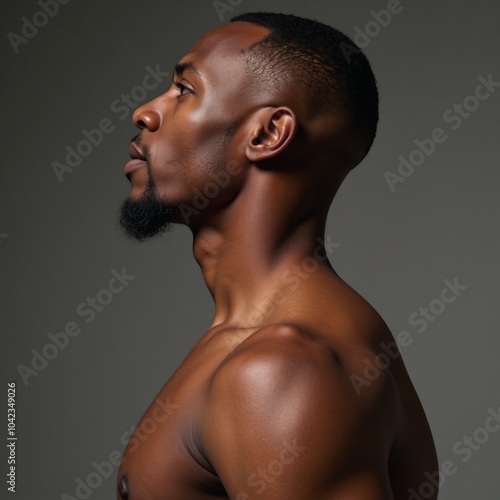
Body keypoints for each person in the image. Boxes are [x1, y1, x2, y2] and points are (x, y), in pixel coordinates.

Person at [117, 12, 438, 500]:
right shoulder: (264, 343)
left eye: (184, 91)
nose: (145, 112)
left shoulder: (279, 371)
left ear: (266, 135)